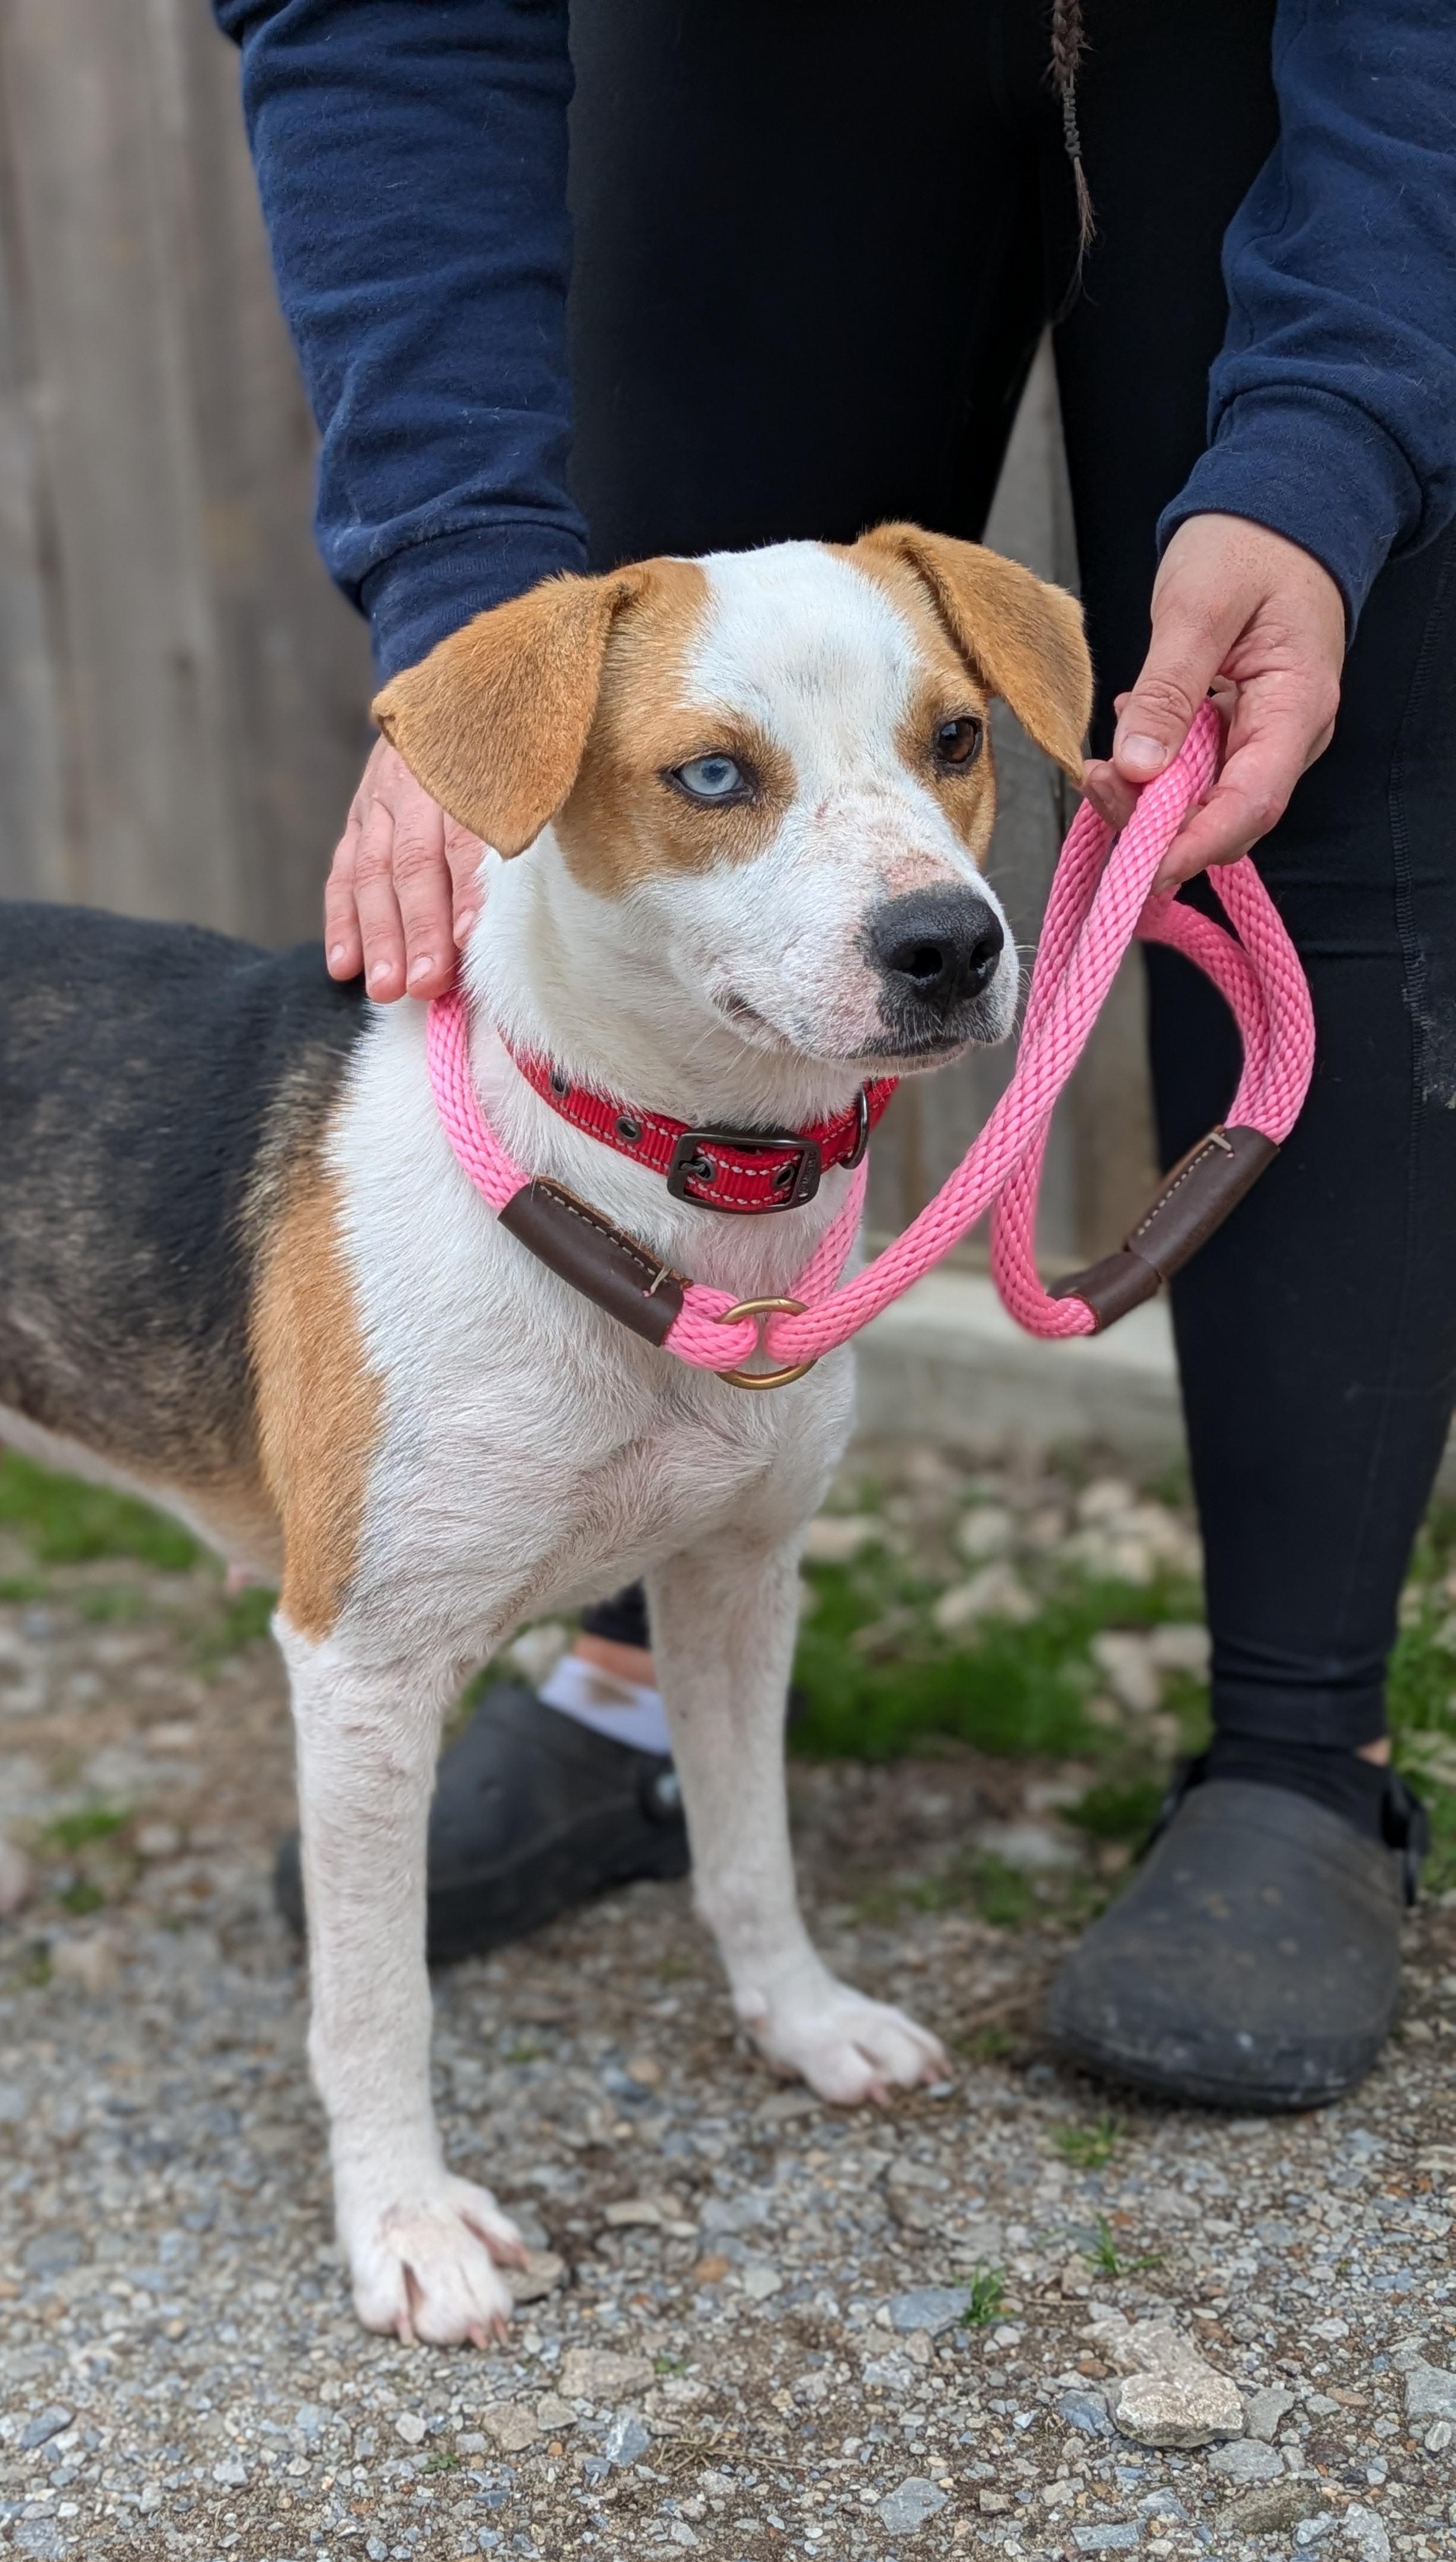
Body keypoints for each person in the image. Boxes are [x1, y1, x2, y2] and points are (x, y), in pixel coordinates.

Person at [217, 0, 1456, 2108]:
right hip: (765, 55)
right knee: (692, 629)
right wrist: (456, 584)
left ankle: (1298, 1748)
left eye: (953, 764)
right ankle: (625, 1661)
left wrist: (1336, 433)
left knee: (1303, 806)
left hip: (1301, 45)